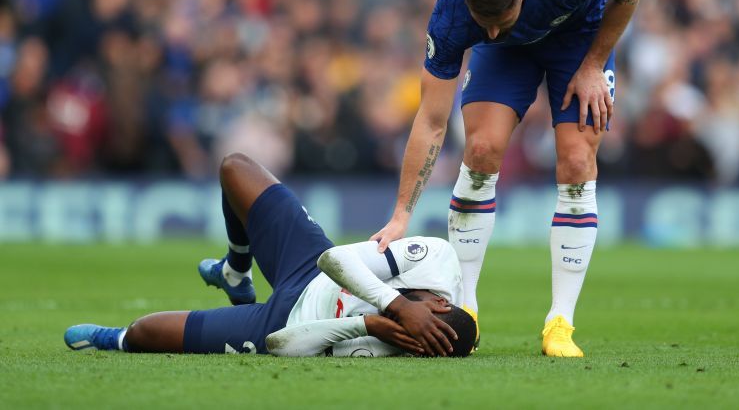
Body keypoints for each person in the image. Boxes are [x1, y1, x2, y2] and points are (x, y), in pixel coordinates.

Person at [370, 0, 644, 357]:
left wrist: (593, 64)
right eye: (484, 24)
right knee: (480, 150)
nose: (492, 33)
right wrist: (402, 214)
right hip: (509, 58)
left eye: (500, 22)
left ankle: (560, 322)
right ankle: (466, 308)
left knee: (575, 161)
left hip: (576, 37)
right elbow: (431, 120)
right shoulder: (454, 9)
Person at [64, 153, 476, 358]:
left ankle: (110, 339)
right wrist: (400, 305)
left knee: (143, 332)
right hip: (310, 261)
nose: (405, 326)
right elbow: (334, 261)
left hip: (283, 319)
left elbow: (281, 345)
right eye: (422, 317)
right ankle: (234, 271)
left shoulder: (390, 344)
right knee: (234, 168)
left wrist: (368, 324)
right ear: (439, 301)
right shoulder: (436, 258)